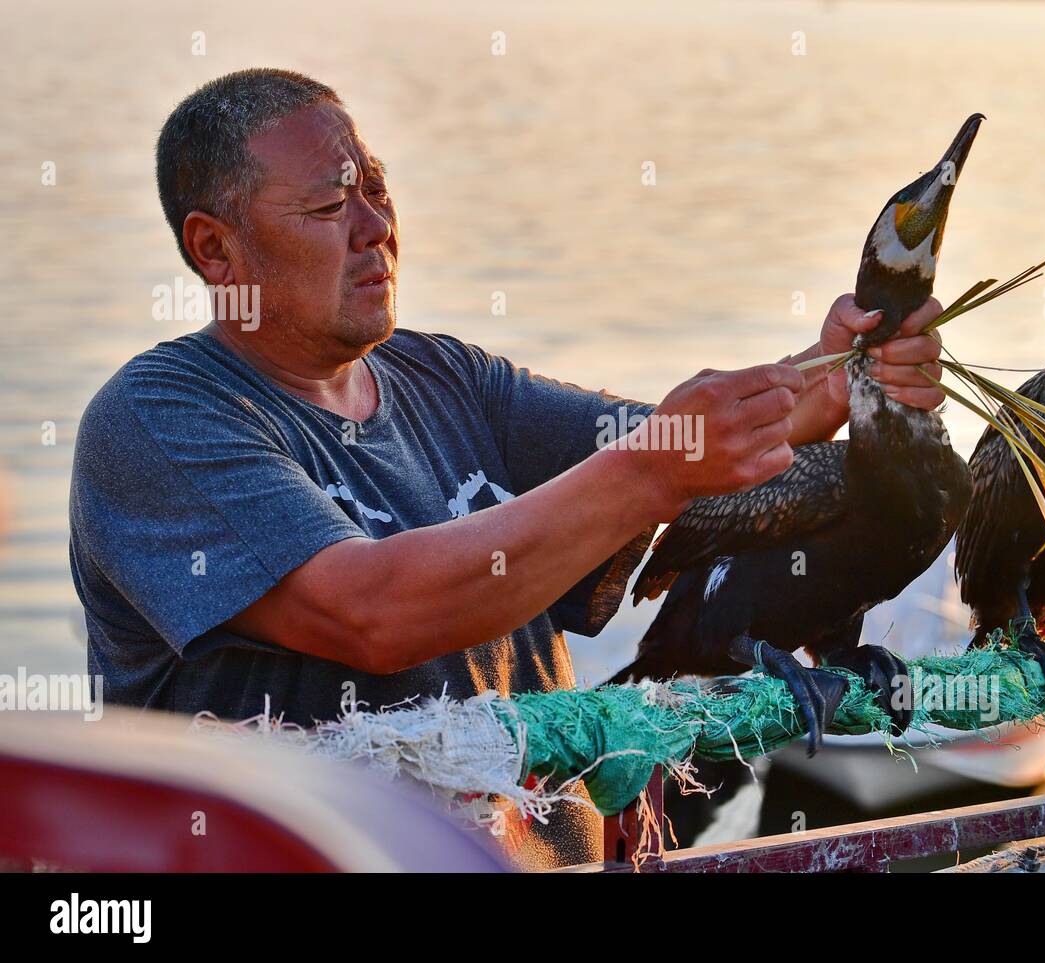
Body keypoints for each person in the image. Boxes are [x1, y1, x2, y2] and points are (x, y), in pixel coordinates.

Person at [68, 68, 945, 869]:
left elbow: (684, 440)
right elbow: (372, 611)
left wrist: (840, 373)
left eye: (375, 186)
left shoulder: (444, 375)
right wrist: (653, 473)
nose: (377, 227)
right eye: (331, 207)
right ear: (216, 252)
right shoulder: (157, 421)